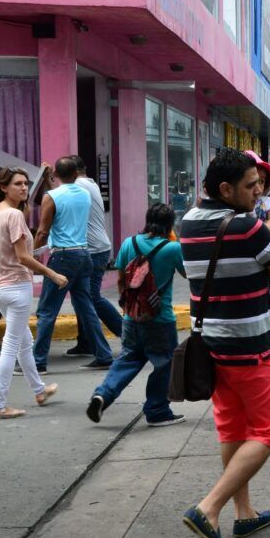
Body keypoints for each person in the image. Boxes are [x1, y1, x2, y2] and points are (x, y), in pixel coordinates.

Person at [179, 150, 270, 538]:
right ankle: (209, 508)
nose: (259, 191)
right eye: (250, 185)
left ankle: (243, 512)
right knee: (268, 432)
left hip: (211, 345)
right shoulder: (248, 227)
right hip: (251, 346)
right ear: (225, 189)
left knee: (233, 428)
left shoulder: (188, 222)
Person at [86, 203, 187, 426]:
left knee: (128, 358)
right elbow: (186, 273)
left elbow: (121, 279)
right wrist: (174, 239)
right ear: (170, 224)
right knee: (164, 364)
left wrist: (127, 309)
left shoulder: (129, 243)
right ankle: (157, 410)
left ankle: (103, 394)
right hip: (160, 318)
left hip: (131, 317)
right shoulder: (172, 248)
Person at [0, 168, 65, 419]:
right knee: (11, 345)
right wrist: (52, 274)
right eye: (17, 184)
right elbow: (21, 257)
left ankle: (39, 391)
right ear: (3, 187)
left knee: (23, 341)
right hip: (16, 288)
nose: (24, 188)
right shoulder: (13, 215)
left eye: (26, 184)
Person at [32, 157, 114, 373]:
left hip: (62, 257)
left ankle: (38, 362)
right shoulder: (84, 194)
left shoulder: (52, 196)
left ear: (56, 174)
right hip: (84, 255)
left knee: (47, 311)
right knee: (86, 307)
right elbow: (64, 198)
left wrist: (31, 255)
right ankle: (104, 355)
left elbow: (42, 231)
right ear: (76, 174)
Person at [68, 156, 123, 359]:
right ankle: (86, 341)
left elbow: (55, 199)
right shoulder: (89, 183)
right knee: (81, 297)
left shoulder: (80, 185)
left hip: (94, 250)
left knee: (91, 296)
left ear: (72, 172)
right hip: (96, 247)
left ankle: (127, 335)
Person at [246, 151, 270, 341]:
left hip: (266, 248)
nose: (258, 187)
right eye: (252, 181)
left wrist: (256, 232)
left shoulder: (267, 202)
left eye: (261, 181)